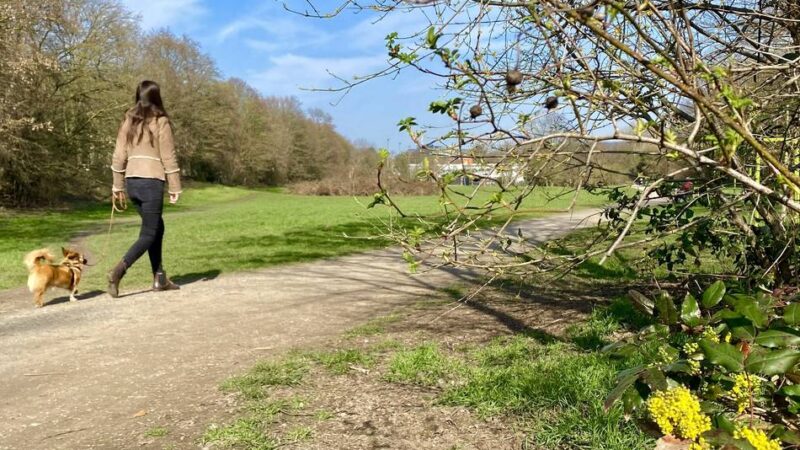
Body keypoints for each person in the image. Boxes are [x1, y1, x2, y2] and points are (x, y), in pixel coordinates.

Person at [107, 80, 182, 297]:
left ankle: (159, 278)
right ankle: (118, 271)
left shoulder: (128, 120)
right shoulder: (161, 122)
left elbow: (119, 155)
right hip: (151, 182)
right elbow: (168, 155)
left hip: (132, 182)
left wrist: (117, 185)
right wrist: (175, 186)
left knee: (157, 227)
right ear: (157, 97)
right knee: (149, 232)